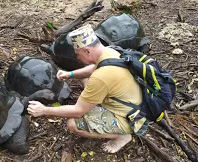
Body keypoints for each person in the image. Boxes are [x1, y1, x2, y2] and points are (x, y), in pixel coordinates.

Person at [27, 24, 142, 153]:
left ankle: (122, 136)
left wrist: (44, 110)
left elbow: (78, 111)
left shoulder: (101, 78)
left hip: (129, 118)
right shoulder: (111, 51)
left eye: (78, 54)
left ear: (87, 50)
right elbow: (94, 68)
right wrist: (70, 74)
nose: (77, 58)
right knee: (84, 78)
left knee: (73, 123)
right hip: (133, 103)